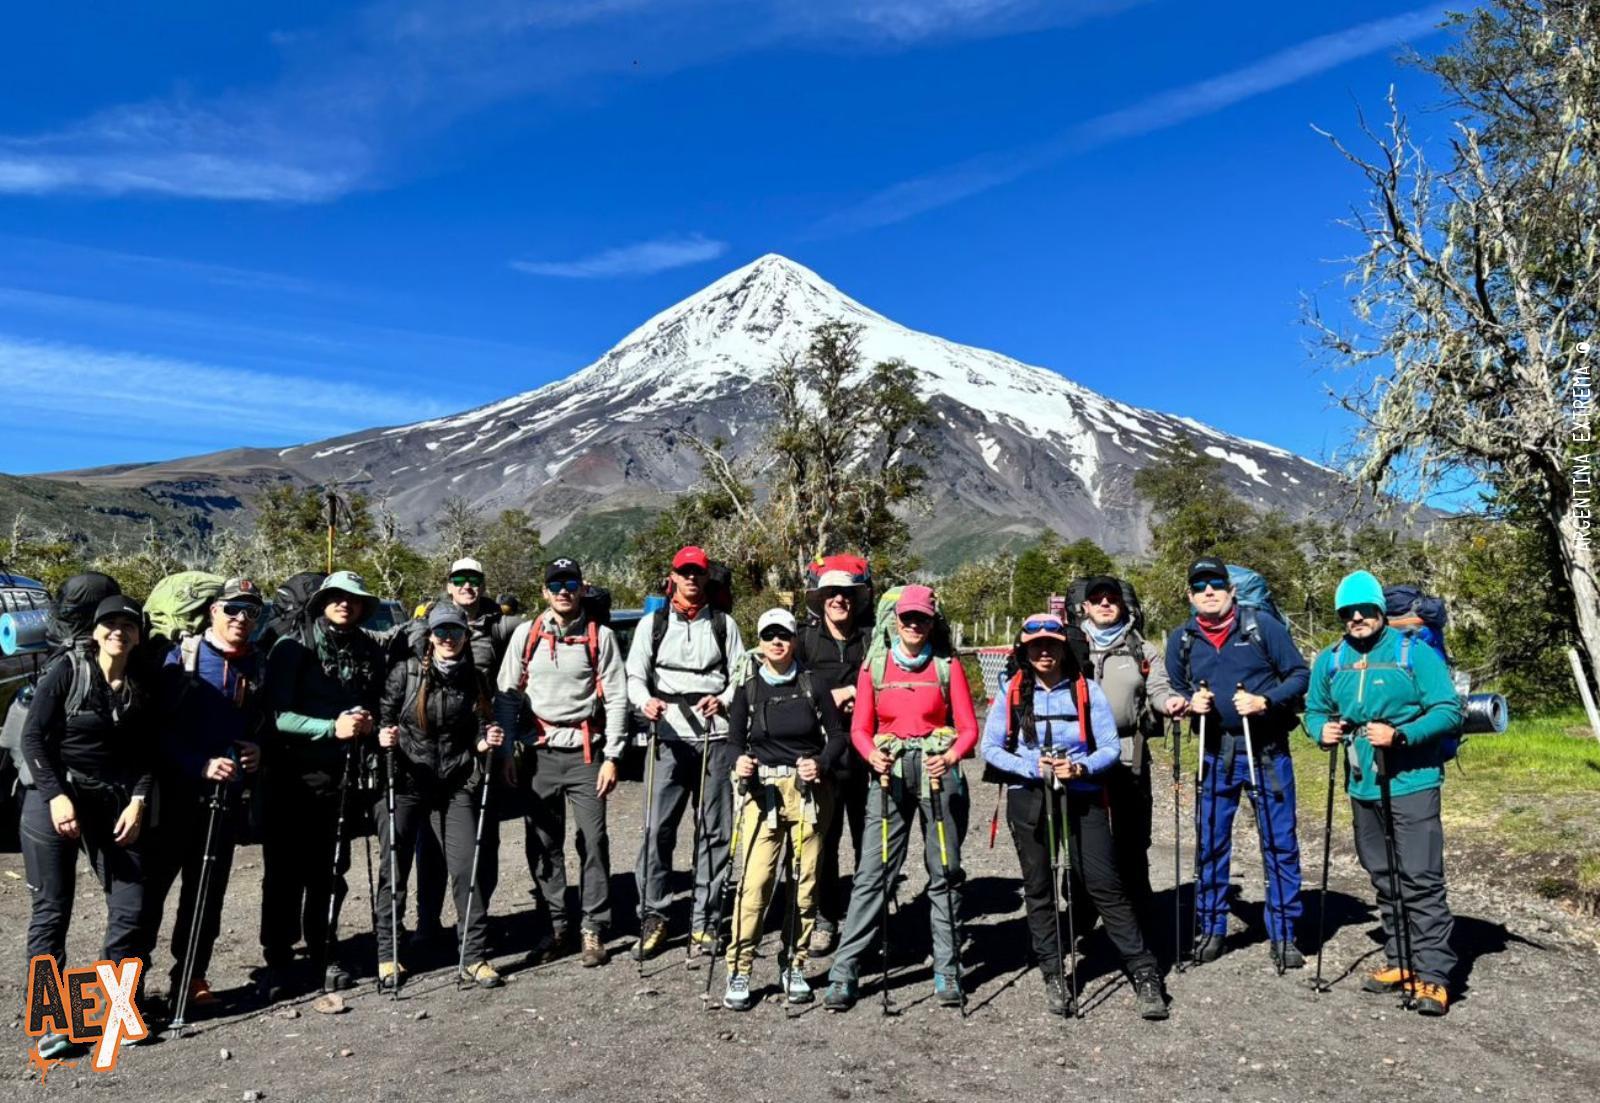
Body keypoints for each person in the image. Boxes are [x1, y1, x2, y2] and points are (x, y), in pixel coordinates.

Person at [981, 614, 1169, 1020]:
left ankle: (1144, 969)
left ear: (1064, 648)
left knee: (1104, 884)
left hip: (1082, 793)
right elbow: (990, 748)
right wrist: (1032, 768)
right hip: (1029, 796)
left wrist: (1080, 768)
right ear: (1024, 651)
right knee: (1039, 886)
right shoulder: (1012, 690)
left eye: (1051, 644)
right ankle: (1053, 972)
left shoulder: (1086, 689)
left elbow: (1109, 748)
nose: (1044, 652)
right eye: (1036, 646)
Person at [1305, 570, 1461, 1016]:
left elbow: (1448, 710)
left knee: (1420, 877)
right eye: (1347, 612)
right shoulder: (1330, 659)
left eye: (1365, 609)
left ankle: (1433, 975)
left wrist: (1402, 735)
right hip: (1363, 783)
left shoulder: (1414, 652)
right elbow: (1314, 710)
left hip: (1413, 780)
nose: (1356, 618)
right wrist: (1321, 731)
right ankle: (1400, 960)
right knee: (1383, 875)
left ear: (1379, 610)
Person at [821, 585, 978, 1012]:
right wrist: (872, 755)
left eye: (922, 618)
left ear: (932, 622)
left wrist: (950, 757)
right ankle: (844, 972)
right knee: (873, 873)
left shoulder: (947, 666)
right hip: (888, 775)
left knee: (945, 870)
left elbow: (968, 728)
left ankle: (947, 968)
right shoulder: (875, 666)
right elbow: (860, 728)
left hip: (936, 775)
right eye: (907, 617)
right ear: (895, 621)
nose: (914, 624)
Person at [21, 590, 155, 1060]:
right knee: (52, 910)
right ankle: (50, 1022)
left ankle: (116, 1009)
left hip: (112, 800)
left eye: (129, 625)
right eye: (110, 623)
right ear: (95, 631)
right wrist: (56, 795)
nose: (119, 631)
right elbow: (32, 737)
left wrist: (138, 800)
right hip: (52, 796)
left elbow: (146, 752)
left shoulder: (140, 683)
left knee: (130, 906)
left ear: (139, 636)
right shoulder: (67, 670)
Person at [1163, 557, 1310, 969]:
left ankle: (1284, 933)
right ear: (1190, 595)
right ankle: (1211, 928)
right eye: (1199, 586)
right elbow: (1175, 686)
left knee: (1279, 843)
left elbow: (1300, 675)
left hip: (1267, 753)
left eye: (1215, 584)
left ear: (1231, 591)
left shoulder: (1263, 628)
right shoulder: (1183, 639)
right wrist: (1189, 702)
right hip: (1215, 754)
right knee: (1211, 843)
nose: (1208, 591)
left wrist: (1265, 701)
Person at [143, 578, 267, 1016]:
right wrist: (198, 764)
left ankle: (191, 977)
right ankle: (131, 986)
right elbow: (156, 731)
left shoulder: (258, 664)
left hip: (225, 799)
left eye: (251, 612)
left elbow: (262, 724)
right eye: (233, 609)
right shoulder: (184, 657)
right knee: (148, 896)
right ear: (213, 610)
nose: (241, 618)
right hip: (176, 796)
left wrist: (259, 750)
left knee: (207, 894)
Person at [261, 570, 387, 997]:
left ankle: (323, 949)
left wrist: (367, 722)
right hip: (290, 776)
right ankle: (279, 958)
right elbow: (276, 717)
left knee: (330, 869)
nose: (345, 604)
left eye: (353, 599)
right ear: (321, 602)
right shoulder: (292, 648)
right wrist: (332, 727)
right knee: (284, 872)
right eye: (336, 597)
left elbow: (373, 701)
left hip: (340, 777)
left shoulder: (366, 649)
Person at [497, 557, 627, 968]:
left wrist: (613, 756)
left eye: (570, 584)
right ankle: (555, 927)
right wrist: (507, 751)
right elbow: (507, 694)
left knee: (593, 840)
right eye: (556, 584)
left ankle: (593, 927)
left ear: (582, 588)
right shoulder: (527, 634)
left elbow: (618, 697)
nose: (564, 591)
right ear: (545, 591)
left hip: (586, 753)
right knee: (543, 842)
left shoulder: (600, 636)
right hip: (538, 753)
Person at [722, 608, 849, 1010]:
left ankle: (793, 963)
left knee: (805, 883)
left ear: (795, 640)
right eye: (768, 635)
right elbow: (733, 741)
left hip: (808, 793)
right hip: (762, 795)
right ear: (759, 642)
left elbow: (838, 736)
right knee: (755, 884)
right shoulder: (748, 689)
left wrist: (821, 763)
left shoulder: (814, 683)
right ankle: (739, 968)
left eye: (784, 634)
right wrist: (739, 761)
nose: (776, 641)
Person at [377, 603, 507, 990]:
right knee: (395, 868)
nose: (448, 638)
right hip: (407, 782)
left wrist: (485, 741)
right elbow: (384, 716)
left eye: (455, 631)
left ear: (466, 635)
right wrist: (383, 736)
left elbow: (480, 727)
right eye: (441, 632)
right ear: (430, 636)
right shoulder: (405, 673)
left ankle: (473, 956)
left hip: (454, 783)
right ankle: (388, 954)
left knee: (468, 869)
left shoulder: (475, 678)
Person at [628, 546, 745, 960]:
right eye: (685, 572)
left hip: (716, 737)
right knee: (656, 829)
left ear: (707, 577)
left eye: (698, 572)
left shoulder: (724, 624)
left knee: (715, 832)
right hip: (668, 737)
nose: (692, 578)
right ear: (673, 576)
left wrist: (724, 700)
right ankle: (654, 917)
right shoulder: (653, 624)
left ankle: (705, 922)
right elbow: (635, 675)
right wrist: (644, 702)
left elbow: (740, 675)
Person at [410, 557, 525, 946]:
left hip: (480, 743)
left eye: (474, 579)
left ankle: (474, 923)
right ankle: (427, 923)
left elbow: (533, 629)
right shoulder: (430, 620)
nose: (467, 585)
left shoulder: (497, 624)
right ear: (449, 585)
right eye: (459, 579)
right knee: (431, 842)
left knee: (484, 840)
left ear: (483, 583)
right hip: (434, 748)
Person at [1076, 575, 1174, 926]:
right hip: (1080, 754)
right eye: (1097, 599)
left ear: (1123, 604)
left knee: (1132, 835)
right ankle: (1081, 911)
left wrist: (1169, 703)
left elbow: (1159, 688)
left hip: (1129, 752)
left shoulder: (1142, 648)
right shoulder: (1069, 645)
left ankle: (1137, 912)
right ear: (1085, 606)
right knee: (1083, 834)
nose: (1105, 604)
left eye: (1112, 598)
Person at [794, 568, 872, 957]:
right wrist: (831, 697)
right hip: (825, 754)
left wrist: (859, 692)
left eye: (846, 594)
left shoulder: (871, 639)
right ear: (821, 600)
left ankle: (866, 920)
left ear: (856, 600)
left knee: (868, 841)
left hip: (867, 755)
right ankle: (826, 919)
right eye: (831, 593)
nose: (839, 599)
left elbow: (883, 682)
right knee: (824, 839)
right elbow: (794, 686)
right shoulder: (805, 640)